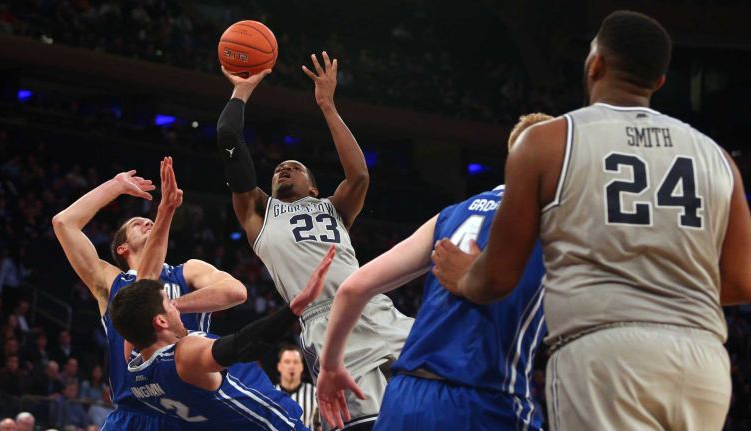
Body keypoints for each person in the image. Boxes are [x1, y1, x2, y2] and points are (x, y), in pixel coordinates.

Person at [432, 10, 751, 431]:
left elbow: (500, 278)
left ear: (595, 63)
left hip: (605, 353)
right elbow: (742, 280)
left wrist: (467, 276)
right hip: (702, 361)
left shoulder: (546, 142)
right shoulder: (718, 158)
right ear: (659, 82)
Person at [316, 114, 553, 430]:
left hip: (404, 398)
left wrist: (330, 366)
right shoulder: (557, 221)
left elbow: (353, 288)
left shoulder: (452, 214)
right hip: (483, 399)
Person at [217, 52, 413, 430]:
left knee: (451, 384)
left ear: (314, 186)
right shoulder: (258, 212)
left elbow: (358, 175)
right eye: (278, 169)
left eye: (295, 167)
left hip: (374, 305)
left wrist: (327, 105)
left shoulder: (333, 207)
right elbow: (228, 137)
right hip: (327, 321)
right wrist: (241, 91)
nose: (283, 168)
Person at [52, 158, 245, 429]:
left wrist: (169, 306)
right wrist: (114, 186)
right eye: (137, 223)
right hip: (134, 412)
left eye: (149, 220)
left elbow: (236, 291)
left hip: (192, 412)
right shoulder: (111, 281)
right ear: (121, 248)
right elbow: (64, 223)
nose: (147, 222)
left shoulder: (188, 270)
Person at [109, 246, 336, 430]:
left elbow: (140, 291)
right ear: (160, 322)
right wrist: (296, 306)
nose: (176, 306)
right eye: (170, 303)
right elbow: (244, 345)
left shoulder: (135, 366)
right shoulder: (184, 355)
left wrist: (166, 212)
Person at [276, 346, 319, 430]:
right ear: (279, 366)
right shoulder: (268, 395)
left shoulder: (315, 393)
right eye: (287, 362)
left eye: (295, 362)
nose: (291, 366)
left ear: (301, 367)